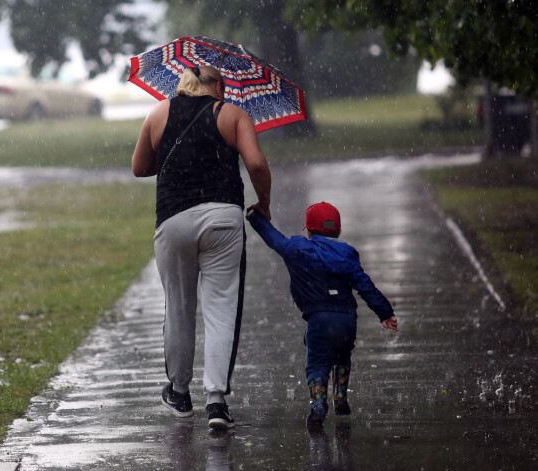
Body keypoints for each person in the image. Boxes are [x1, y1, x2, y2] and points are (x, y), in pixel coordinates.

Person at [132, 65, 272, 430]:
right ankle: (216, 402)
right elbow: (256, 163)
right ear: (220, 86)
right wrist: (265, 201)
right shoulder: (232, 114)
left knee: (179, 307)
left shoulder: (158, 112)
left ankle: (179, 392)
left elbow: (139, 167)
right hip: (223, 218)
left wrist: (174, 162)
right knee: (221, 307)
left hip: (173, 219)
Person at [246, 201, 398, 426]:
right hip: (347, 320)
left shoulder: (297, 250)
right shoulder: (347, 254)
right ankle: (340, 396)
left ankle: (318, 405)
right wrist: (385, 312)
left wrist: (255, 217)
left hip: (319, 319)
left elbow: (274, 239)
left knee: (317, 362)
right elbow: (365, 285)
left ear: (307, 230)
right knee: (342, 355)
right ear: (338, 231)